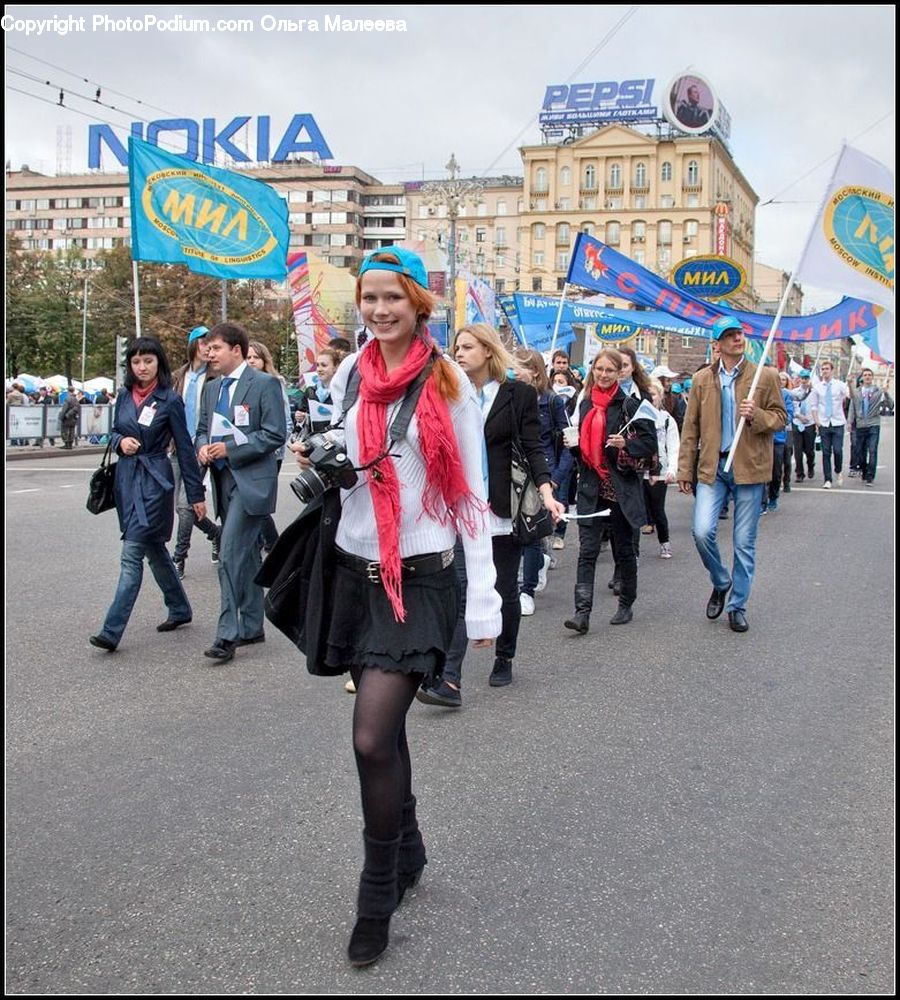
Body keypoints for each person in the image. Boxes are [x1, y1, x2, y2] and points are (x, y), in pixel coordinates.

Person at [293, 248, 501, 966]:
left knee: (372, 737)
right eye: (369, 299)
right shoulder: (351, 372)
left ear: (419, 304)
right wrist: (322, 459)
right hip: (354, 568)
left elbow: (470, 497)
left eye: (393, 299)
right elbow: (353, 455)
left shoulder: (450, 386)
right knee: (383, 733)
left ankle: (376, 890)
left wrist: (485, 603)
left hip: (420, 578)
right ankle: (407, 849)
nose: (380, 311)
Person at [417, 322, 564, 706]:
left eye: (467, 347)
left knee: (503, 589)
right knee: (462, 590)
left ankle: (505, 654)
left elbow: (533, 447)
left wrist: (547, 492)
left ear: (487, 350)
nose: (459, 353)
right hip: (461, 507)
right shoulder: (449, 393)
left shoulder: (518, 394)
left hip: (501, 506)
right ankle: (450, 678)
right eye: (456, 348)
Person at [89, 338, 206, 652]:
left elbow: (184, 448)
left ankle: (111, 631)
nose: (142, 367)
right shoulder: (125, 396)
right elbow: (114, 432)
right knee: (154, 550)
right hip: (127, 480)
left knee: (132, 555)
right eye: (136, 362)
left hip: (154, 482)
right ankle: (180, 608)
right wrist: (120, 443)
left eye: (148, 361)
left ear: (159, 363)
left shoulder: (170, 400)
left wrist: (196, 493)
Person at [676, 316, 786, 634]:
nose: (737, 338)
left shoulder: (763, 376)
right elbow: (691, 426)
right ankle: (721, 580)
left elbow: (780, 418)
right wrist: (685, 468)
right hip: (713, 467)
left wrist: (758, 416)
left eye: (739, 333)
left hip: (749, 469)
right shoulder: (701, 380)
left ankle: (737, 606)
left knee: (743, 543)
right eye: (729, 335)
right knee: (701, 531)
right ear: (717, 345)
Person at [195, 323, 287, 663]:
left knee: (229, 553)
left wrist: (229, 449)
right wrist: (204, 447)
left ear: (236, 349)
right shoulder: (211, 388)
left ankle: (226, 635)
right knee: (246, 557)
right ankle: (251, 626)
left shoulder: (264, 384)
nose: (209, 354)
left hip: (252, 483)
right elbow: (203, 429)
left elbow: (274, 434)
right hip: (222, 483)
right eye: (208, 349)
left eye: (216, 348)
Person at [562, 348, 657, 633]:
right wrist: (574, 446)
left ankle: (626, 603)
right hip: (591, 487)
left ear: (620, 373)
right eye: (599, 369)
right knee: (587, 552)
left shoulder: (630, 405)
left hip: (620, 488)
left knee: (624, 550)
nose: (603, 375)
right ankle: (582, 614)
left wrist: (626, 444)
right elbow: (584, 452)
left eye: (609, 371)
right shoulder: (586, 404)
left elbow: (650, 444)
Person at [512, 348, 572, 615]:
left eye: (519, 367)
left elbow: (570, 442)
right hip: (512, 472)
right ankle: (540, 563)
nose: (513, 371)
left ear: (535, 371)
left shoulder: (552, 401)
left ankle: (526, 590)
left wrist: (555, 479)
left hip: (541, 473)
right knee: (515, 533)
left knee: (530, 534)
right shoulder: (507, 396)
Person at [171, 325, 220, 578]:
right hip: (175, 447)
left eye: (212, 345)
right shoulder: (178, 376)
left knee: (186, 505)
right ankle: (215, 533)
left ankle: (178, 558)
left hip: (200, 448)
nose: (208, 349)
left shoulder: (215, 377)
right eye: (203, 343)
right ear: (193, 345)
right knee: (178, 506)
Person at [246, 339, 294, 553]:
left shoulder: (274, 382)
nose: (252, 361)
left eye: (256, 357)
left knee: (259, 501)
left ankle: (274, 545)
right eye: (248, 357)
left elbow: (285, 422)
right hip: (249, 450)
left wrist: (275, 445)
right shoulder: (243, 384)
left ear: (264, 360)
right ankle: (260, 543)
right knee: (250, 499)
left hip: (271, 453)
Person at [645, 378, 680, 558]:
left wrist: (672, 469)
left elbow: (673, 447)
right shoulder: (637, 417)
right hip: (638, 471)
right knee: (636, 512)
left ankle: (664, 542)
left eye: (653, 394)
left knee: (657, 509)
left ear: (660, 396)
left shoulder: (667, 420)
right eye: (647, 394)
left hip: (659, 472)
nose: (650, 398)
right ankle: (632, 551)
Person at [809, 359, 849, 489]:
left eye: (827, 369)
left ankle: (838, 470)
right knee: (826, 452)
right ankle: (827, 479)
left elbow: (850, 396)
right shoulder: (817, 387)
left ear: (832, 370)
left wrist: (851, 385)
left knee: (837, 450)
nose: (825, 371)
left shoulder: (839, 385)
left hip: (837, 422)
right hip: (824, 423)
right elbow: (814, 406)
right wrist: (817, 421)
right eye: (823, 369)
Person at [848, 367, 884, 485]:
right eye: (865, 375)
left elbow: (890, 404)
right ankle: (864, 469)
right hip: (860, 425)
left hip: (873, 424)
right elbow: (852, 406)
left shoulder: (878, 391)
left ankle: (870, 476)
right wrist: (849, 422)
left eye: (869, 375)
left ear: (872, 377)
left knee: (872, 450)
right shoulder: (857, 392)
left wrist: (886, 393)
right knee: (860, 452)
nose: (867, 377)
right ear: (862, 378)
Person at [297, 346, 345, 435]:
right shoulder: (310, 391)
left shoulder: (343, 392)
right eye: (317, 365)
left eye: (324, 365)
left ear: (336, 367)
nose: (319, 369)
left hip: (337, 443)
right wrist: (300, 418)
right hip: (313, 442)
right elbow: (300, 423)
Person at [790, 370, 816, 481]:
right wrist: (799, 416)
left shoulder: (814, 392)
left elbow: (816, 407)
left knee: (809, 450)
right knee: (798, 450)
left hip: (809, 424)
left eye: (806, 378)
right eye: (802, 378)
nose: (804, 380)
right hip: (797, 423)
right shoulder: (794, 392)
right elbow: (792, 408)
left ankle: (811, 466)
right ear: (800, 379)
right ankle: (799, 473)